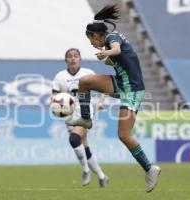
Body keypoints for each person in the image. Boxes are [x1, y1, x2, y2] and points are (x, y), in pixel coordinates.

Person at [66, 4, 161, 192]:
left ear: (95, 35)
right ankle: (85, 119)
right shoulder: (109, 39)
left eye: (91, 40)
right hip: (121, 82)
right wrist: (108, 59)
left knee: (124, 135)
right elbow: (122, 57)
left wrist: (106, 53)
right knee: (84, 82)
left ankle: (150, 168)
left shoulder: (111, 38)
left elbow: (117, 50)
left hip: (132, 89)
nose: (92, 44)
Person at [51, 48, 109, 188]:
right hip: (69, 115)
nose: (73, 58)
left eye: (76, 56)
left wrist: (101, 101)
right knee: (84, 147)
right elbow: (54, 96)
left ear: (80, 59)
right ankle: (102, 176)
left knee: (74, 139)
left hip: (86, 111)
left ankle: (85, 170)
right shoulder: (60, 76)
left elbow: (104, 87)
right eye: (70, 56)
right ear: (66, 60)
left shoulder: (87, 73)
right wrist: (57, 106)